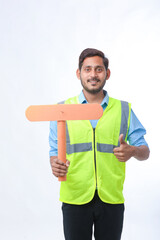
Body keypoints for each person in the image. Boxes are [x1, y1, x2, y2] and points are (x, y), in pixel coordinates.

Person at [49, 48, 150, 240]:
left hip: (111, 197)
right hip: (75, 196)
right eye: (87, 69)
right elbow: (54, 151)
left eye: (99, 69)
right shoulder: (62, 110)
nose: (93, 75)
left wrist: (133, 150)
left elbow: (145, 151)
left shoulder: (123, 109)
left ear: (107, 73)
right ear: (79, 73)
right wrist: (54, 164)